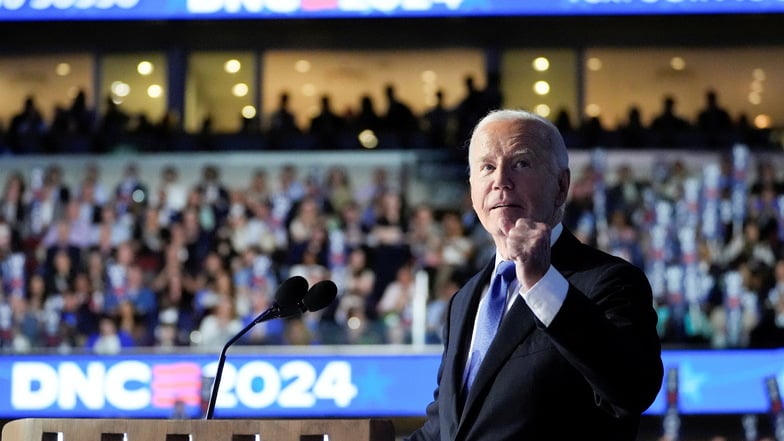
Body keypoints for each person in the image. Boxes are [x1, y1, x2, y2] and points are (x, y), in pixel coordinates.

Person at [405, 109, 663, 441]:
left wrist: (543, 283)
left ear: (561, 185)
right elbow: (444, 429)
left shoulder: (610, 282)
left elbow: (633, 390)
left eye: (521, 164)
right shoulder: (464, 300)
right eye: (486, 167)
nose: (500, 180)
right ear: (472, 189)